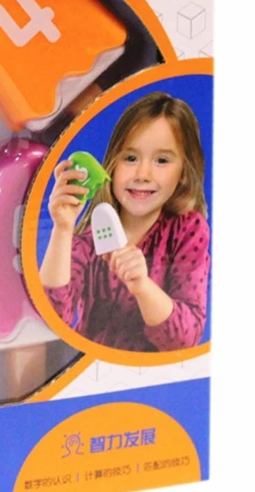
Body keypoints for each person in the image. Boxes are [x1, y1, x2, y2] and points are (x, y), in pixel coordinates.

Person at [40, 92, 209, 352]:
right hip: (90, 368)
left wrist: (143, 287)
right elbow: (51, 318)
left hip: (156, 373)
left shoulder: (188, 230)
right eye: (130, 158)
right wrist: (62, 229)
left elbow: (185, 339)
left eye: (162, 160)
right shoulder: (89, 242)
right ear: (113, 165)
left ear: (184, 172)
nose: (143, 174)